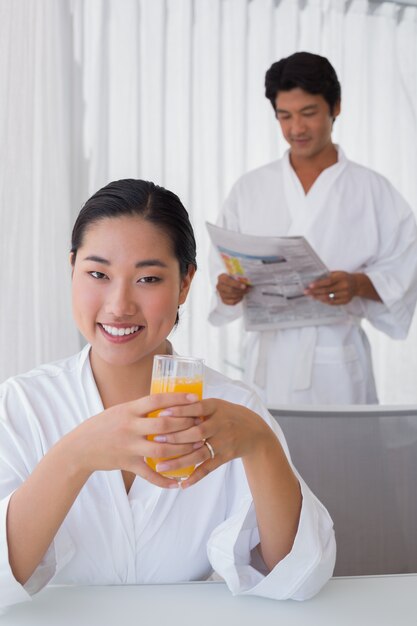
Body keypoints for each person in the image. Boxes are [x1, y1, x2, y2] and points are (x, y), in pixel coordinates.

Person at [0, 179, 335, 611]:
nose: (119, 305)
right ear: (72, 269)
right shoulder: (23, 403)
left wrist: (261, 444)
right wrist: (75, 455)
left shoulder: (234, 409)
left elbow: (298, 577)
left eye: (148, 278)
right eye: (98, 274)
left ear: (184, 284)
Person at [209, 51, 417, 406]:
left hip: (336, 360)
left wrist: (357, 284)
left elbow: (404, 268)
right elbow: (223, 268)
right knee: (265, 455)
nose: (296, 129)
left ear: (335, 107)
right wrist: (228, 290)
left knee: (341, 459)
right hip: (266, 363)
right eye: (284, 116)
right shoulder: (250, 188)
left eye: (309, 114)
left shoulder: (373, 190)